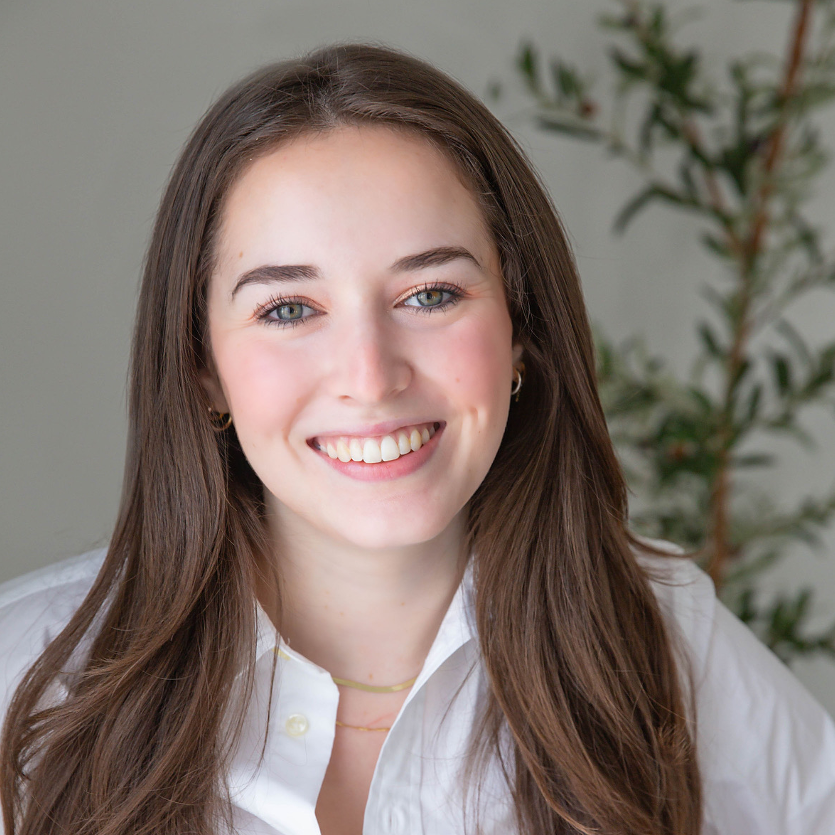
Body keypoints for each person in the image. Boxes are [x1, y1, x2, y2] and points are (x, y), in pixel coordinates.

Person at [0, 43, 833, 835]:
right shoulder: (25, 681)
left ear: (520, 329)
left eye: (430, 294)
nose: (370, 376)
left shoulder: (658, 636)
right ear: (203, 367)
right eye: (287, 309)